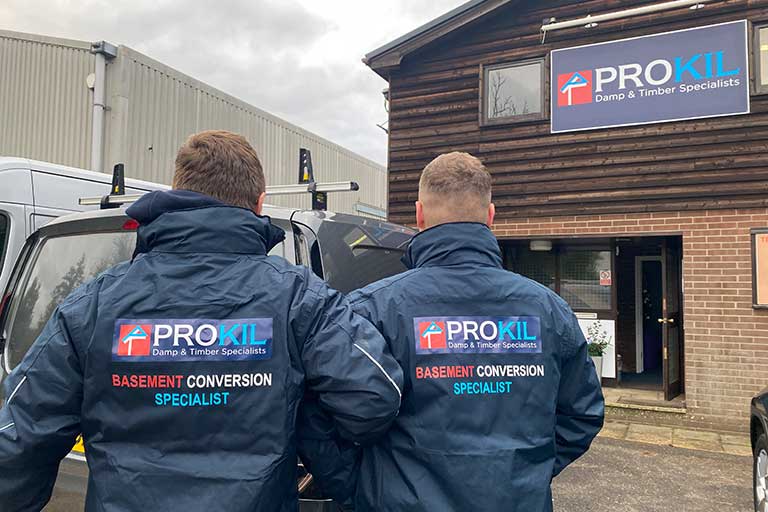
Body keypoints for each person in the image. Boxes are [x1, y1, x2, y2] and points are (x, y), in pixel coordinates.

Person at [0, 130, 403, 512]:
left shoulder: (95, 303)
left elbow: (19, 439)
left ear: (177, 192)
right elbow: (374, 397)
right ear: (259, 203)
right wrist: (300, 419)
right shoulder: (298, 297)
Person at [310, 152, 604, 511]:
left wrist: (361, 486)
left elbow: (319, 417)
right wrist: (524, 473)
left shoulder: (370, 310)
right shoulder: (549, 310)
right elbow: (582, 414)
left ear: (419, 214)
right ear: (490, 215)